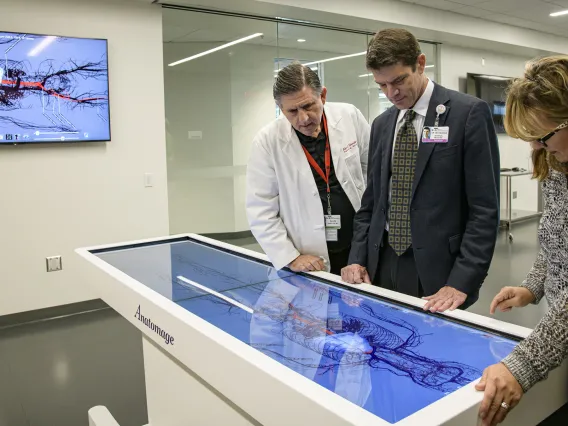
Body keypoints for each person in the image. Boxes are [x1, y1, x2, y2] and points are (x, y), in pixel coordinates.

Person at [341, 29, 500, 313]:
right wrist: (357, 257)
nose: (392, 93)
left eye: (399, 80)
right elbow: (372, 202)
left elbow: (484, 211)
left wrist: (461, 282)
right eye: (382, 85)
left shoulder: (467, 114)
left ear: (421, 63)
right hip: (382, 261)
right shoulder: (381, 124)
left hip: (440, 270)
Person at [476, 55, 568, 426]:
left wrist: (525, 364)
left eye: (541, 136)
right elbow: (556, 239)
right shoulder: (559, 163)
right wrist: (533, 286)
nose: (536, 149)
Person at [246, 63, 370, 274]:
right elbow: (261, 209)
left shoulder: (349, 116)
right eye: (292, 111)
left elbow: (373, 172)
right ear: (280, 107)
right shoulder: (267, 141)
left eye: (308, 106)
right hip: (308, 256)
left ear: (322, 95)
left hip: (359, 245)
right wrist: (291, 256)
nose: (303, 118)